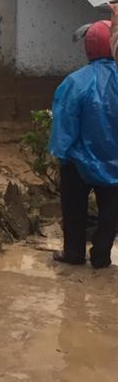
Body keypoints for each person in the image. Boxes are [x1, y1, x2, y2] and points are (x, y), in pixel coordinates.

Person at [48, 19, 118, 268]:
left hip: (77, 161)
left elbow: (63, 124)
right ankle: (101, 256)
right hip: (115, 165)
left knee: (73, 210)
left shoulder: (75, 82)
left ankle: (74, 253)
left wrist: (60, 153)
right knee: (111, 212)